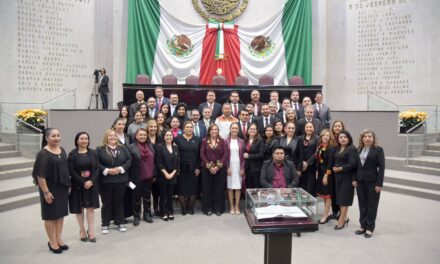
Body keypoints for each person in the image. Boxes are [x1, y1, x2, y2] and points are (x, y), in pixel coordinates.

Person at [32, 128, 71, 254]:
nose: (56, 138)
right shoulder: (43, 153)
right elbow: (40, 175)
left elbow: (65, 169)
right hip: (50, 189)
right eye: (53, 136)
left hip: (62, 188)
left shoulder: (62, 150)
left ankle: (59, 238)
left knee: (60, 215)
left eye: (58, 135)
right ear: (47, 138)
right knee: (50, 216)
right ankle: (52, 241)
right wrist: (46, 192)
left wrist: (68, 184)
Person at [96, 129, 132, 234]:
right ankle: (105, 223)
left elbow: (129, 160)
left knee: (119, 202)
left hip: (120, 180)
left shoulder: (123, 148)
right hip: (106, 180)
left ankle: (120, 222)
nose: (112, 137)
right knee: (106, 203)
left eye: (114, 136)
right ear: (106, 137)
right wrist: (106, 170)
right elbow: (96, 162)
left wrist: (120, 169)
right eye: (110, 136)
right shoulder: (99, 149)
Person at [68, 132, 100, 243]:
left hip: (91, 185)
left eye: (86, 138)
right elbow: (71, 171)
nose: (84, 140)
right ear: (77, 140)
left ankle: (91, 231)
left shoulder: (93, 153)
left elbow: (97, 169)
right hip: (78, 185)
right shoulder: (72, 154)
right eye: (81, 138)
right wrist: (83, 183)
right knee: (79, 209)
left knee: (90, 208)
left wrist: (91, 181)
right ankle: (82, 230)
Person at [353, 129, 385, 238]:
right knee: (362, 205)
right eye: (365, 136)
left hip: (373, 182)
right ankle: (363, 226)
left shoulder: (378, 150)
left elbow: (381, 168)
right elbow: (355, 167)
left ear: (373, 138)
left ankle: (370, 228)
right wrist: (354, 179)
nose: (367, 138)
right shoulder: (358, 150)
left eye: (369, 136)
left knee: (372, 205)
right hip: (360, 182)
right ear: (362, 138)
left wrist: (379, 184)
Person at [128, 128, 155, 226]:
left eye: (144, 135)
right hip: (136, 178)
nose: (143, 136)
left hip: (149, 177)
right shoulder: (131, 147)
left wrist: (154, 174)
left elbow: (154, 161)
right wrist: (128, 179)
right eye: (140, 135)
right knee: (136, 198)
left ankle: (147, 214)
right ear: (136, 136)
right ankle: (136, 216)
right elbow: (128, 164)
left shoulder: (150, 146)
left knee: (147, 197)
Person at [200, 124, 228, 216]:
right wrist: (209, 167)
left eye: (216, 129)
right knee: (207, 189)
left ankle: (218, 209)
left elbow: (225, 155)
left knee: (219, 189)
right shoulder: (204, 141)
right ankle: (208, 209)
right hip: (206, 169)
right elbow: (202, 154)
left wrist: (217, 167)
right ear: (209, 131)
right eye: (212, 129)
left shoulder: (222, 141)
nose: (214, 131)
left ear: (218, 131)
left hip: (220, 169)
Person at [174, 121, 201, 215]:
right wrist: (176, 167)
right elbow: (175, 154)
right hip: (181, 168)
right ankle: (184, 208)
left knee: (193, 189)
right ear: (183, 129)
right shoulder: (177, 139)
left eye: (191, 127)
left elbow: (199, 155)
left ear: (193, 129)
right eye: (187, 127)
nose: (189, 129)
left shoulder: (198, 139)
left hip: (193, 169)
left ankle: (190, 207)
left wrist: (198, 167)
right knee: (181, 189)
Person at [332, 130, 357, 230]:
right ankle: (345, 218)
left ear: (349, 138)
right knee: (340, 199)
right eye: (341, 137)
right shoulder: (338, 148)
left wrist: (340, 168)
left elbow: (353, 164)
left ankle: (341, 221)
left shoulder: (351, 149)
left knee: (344, 200)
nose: (343, 139)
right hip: (338, 177)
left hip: (347, 177)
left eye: (345, 137)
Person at [156, 130, 180, 221]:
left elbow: (178, 162)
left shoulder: (176, 148)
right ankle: (163, 212)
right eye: (167, 135)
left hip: (173, 175)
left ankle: (170, 212)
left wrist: (173, 173)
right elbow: (159, 162)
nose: (169, 137)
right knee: (163, 195)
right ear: (164, 137)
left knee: (170, 195)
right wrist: (166, 174)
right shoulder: (159, 147)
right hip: (162, 175)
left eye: (170, 135)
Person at [315, 129, 336, 224]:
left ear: (330, 137)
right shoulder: (320, 146)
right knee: (324, 195)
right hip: (320, 173)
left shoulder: (331, 148)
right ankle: (326, 213)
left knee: (327, 196)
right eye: (324, 135)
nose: (325, 137)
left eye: (328, 135)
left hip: (327, 174)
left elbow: (330, 163)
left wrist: (326, 175)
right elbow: (319, 161)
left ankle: (326, 215)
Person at [225, 123, 246, 215]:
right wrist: (227, 167)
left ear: (238, 130)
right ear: (230, 129)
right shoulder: (225, 141)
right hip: (230, 167)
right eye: (233, 128)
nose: (234, 129)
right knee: (230, 187)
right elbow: (224, 156)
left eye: (236, 128)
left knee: (238, 187)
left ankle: (237, 205)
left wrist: (242, 168)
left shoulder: (242, 141)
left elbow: (243, 156)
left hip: (238, 166)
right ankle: (231, 206)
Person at [146, 119, 163, 217]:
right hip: (147, 169)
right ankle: (147, 212)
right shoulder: (144, 138)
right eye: (151, 127)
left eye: (155, 127)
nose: (153, 128)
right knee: (148, 192)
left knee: (158, 191)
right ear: (148, 128)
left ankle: (156, 208)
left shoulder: (160, 138)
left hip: (159, 169)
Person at [329, 120, 346, 219]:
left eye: (339, 126)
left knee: (340, 193)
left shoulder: (345, 139)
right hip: (331, 168)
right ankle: (335, 211)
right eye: (335, 126)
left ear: (342, 127)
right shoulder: (330, 138)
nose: (337, 128)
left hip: (340, 170)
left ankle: (342, 213)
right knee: (333, 192)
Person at [297, 122, 319, 196]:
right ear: (304, 128)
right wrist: (301, 165)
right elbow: (299, 152)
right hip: (301, 165)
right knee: (302, 186)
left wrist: (308, 163)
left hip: (312, 166)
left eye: (310, 127)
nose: (309, 128)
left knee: (310, 187)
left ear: (313, 128)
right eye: (307, 127)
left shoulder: (317, 138)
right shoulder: (300, 138)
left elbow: (317, 152)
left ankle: (309, 206)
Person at [244, 123, 265, 189]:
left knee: (256, 186)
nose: (252, 130)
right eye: (251, 129)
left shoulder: (260, 140)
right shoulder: (246, 140)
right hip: (247, 167)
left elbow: (261, 154)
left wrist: (249, 156)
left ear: (256, 130)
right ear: (248, 130)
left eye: (254, 129)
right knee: (248, 185)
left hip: (256, 168)